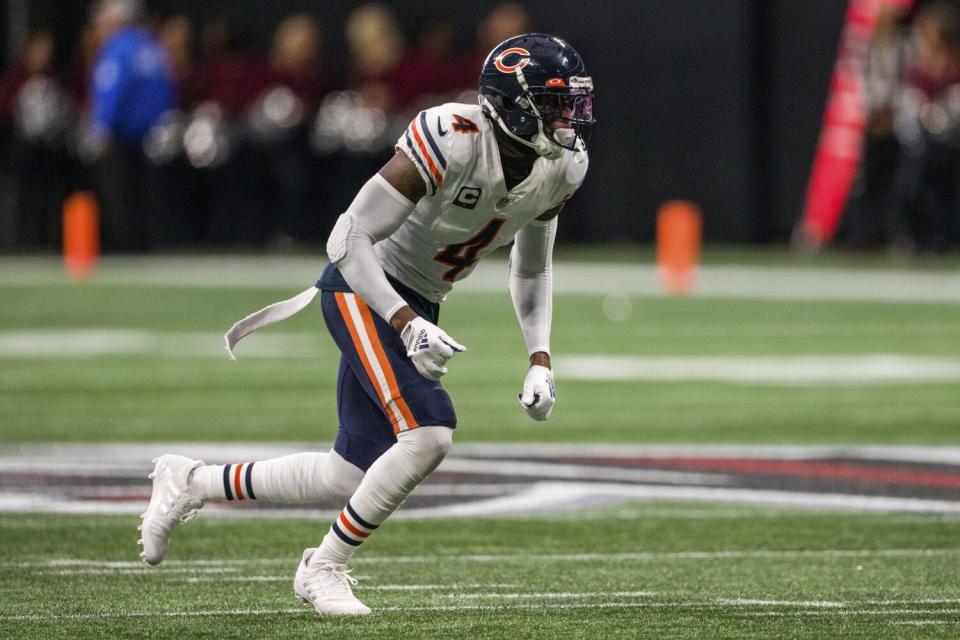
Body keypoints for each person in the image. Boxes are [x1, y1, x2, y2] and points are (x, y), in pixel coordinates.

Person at [138, 34, 595, 616]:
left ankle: (192, 481)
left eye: (571, 101)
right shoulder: (453, 138)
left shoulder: (564, 166)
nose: (569, 117)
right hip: (364, 283)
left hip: (421, 299)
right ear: (511, 105)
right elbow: (347, 238)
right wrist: (404, 322)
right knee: (429, 434)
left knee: (347, 473)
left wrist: (540, 357)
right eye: (554, 102)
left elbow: (532, 267)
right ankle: (323, 566)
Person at [85, 0, 176, 251]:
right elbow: (166, 90)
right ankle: (145, 243)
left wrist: (102, 125)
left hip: (121, 134)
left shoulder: (117, 48)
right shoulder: (150, 46)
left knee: (120, 194)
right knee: (144, 193)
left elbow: (111, 90)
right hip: (151, 134)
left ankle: (125, 245)